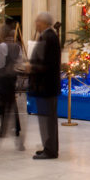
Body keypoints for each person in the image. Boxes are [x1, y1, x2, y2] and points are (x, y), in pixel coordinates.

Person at [28, 12, 61, 160]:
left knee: (48, 120)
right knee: (46, 119)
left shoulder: (49, 37)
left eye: (38, 22)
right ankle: (48, 147)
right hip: (45, 86)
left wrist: (32, 68)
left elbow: (49, 64)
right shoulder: (47, 36)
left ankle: (50, 150)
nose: (36, 25)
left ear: (44, 23)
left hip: (46, 86)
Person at [0, 24, 23, 143]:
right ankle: (17, 128)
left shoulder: (2, 46)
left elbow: (0, 64)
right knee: (13, 103)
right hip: (12, 77)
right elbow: (20, 61)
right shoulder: (17, 46)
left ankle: (2, 130)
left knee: (2, 104)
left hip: (3, 77)